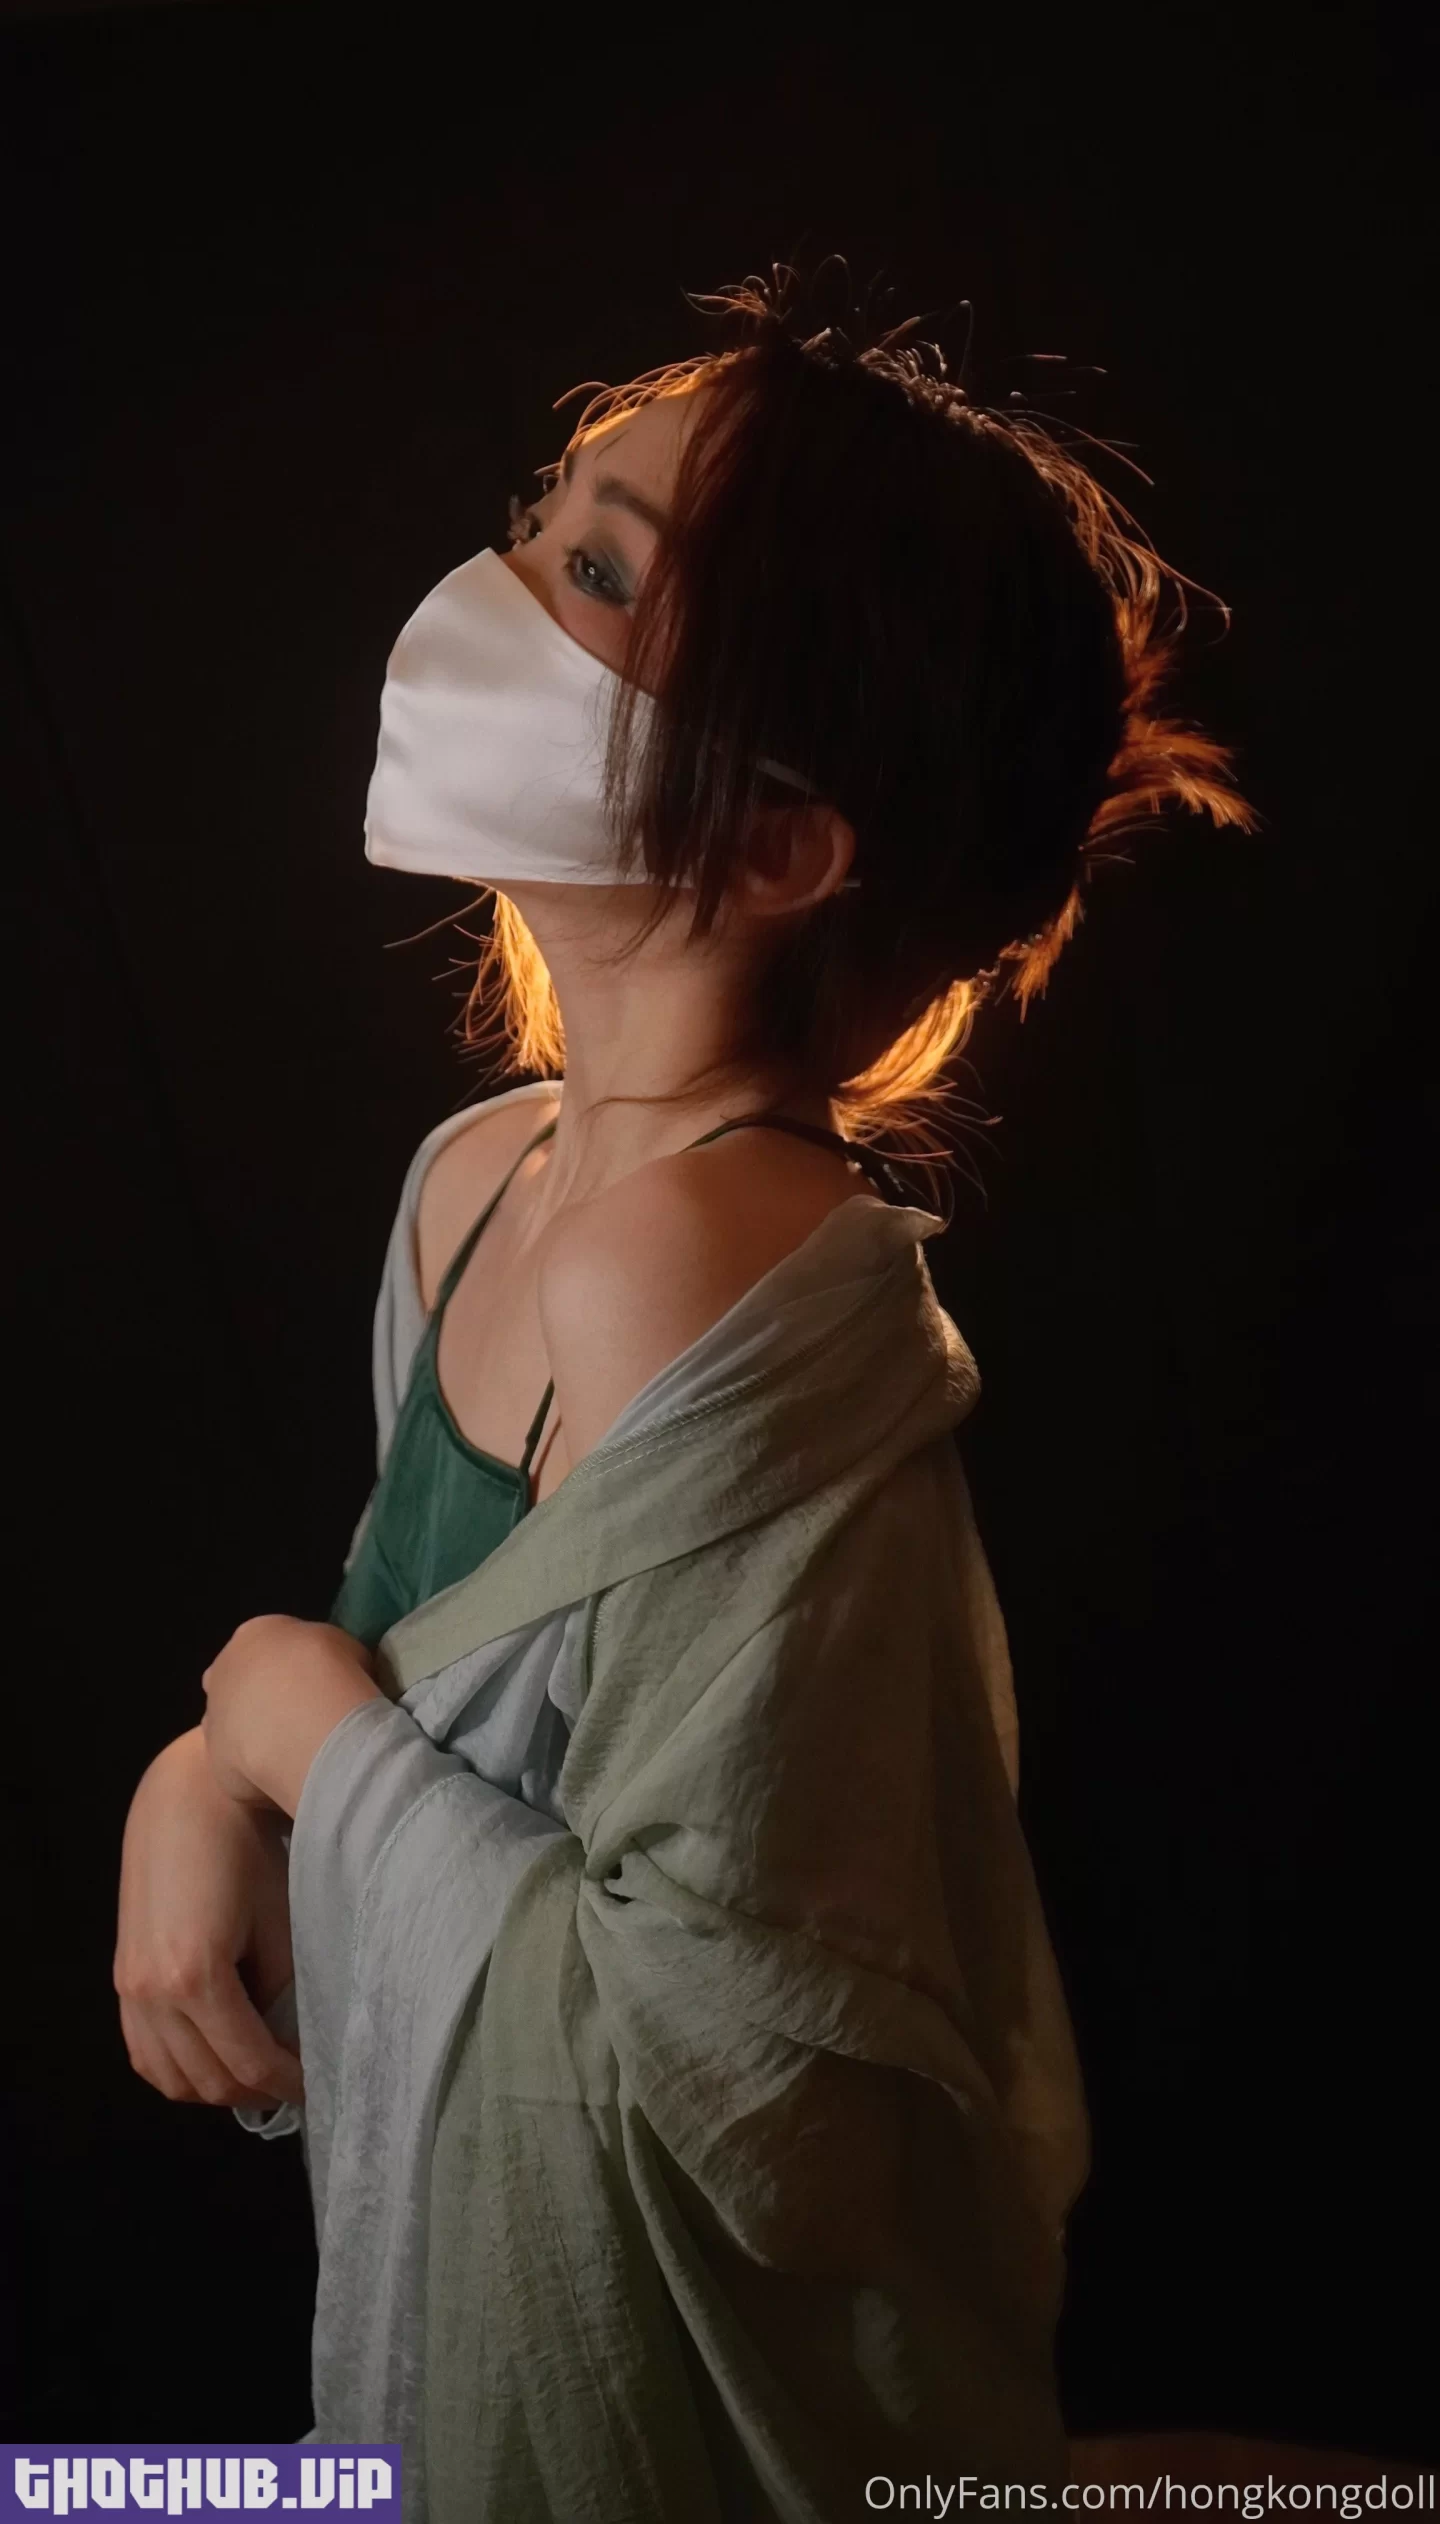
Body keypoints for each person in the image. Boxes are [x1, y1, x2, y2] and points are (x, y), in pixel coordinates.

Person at [114, 268, 1254, 2520]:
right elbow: (426, 1723)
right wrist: (211, 1765)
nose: (501, 582)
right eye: (548, 517)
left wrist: (277, 1728)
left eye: (607, 574)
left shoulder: (688, 1255)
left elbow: (722, 2082)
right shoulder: (482, 1181)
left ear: (776, 844)